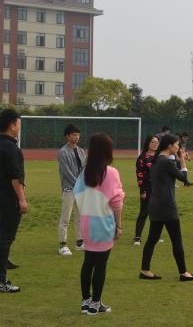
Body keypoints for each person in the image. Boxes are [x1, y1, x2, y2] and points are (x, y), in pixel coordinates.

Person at [74, 133, 125, 315]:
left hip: (87, 223)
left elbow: (77, 194)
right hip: (103, 224)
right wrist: (119, 225)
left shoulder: (85, 172)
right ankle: (95, 304)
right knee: (101, 264)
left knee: (88, 262)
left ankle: (86, 302)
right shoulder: (111, 172)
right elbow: (117, 202)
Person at [139, 134, 193, 281]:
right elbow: (184, 177)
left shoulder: (157, 159)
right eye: (177, 145)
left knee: (152, 239)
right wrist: (182, 158)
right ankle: (183, 273)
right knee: (176, 240)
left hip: (156, 204)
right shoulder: (165, 161)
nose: (178, 147)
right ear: (170, 146)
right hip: (167, 205)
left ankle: (144, 270)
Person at [0, 109, 28, 293]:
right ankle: (0, 280)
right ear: (12, 125)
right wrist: (22, 199)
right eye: (18, 123)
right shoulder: (10, 147)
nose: (19, 127)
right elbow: (14, 177)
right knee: (5, 238)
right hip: (8, 197)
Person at [57, 124, 86, 256]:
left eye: (78, 135)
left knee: (80, 217)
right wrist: (79, 184)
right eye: (74, 135)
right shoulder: (62, 152)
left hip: (81, 189)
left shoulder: (81, 151)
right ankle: (62, 245)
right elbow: (66, 172)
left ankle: (79, 242)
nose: (77, 137)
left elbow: (84, 168)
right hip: (69, 189)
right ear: (67, 136)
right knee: (65, 218)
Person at [134, 135, 160, 245]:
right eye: (153, 142)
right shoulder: (142, 158)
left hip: (158, 189)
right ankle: (137, 237)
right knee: (144, 213)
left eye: (157, 142)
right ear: (148, 143)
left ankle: (155, 236)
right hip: (147, 188)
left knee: (157, 213)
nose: (155, 144)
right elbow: (140, 176)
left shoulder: (159, 156)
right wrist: (142, 191)